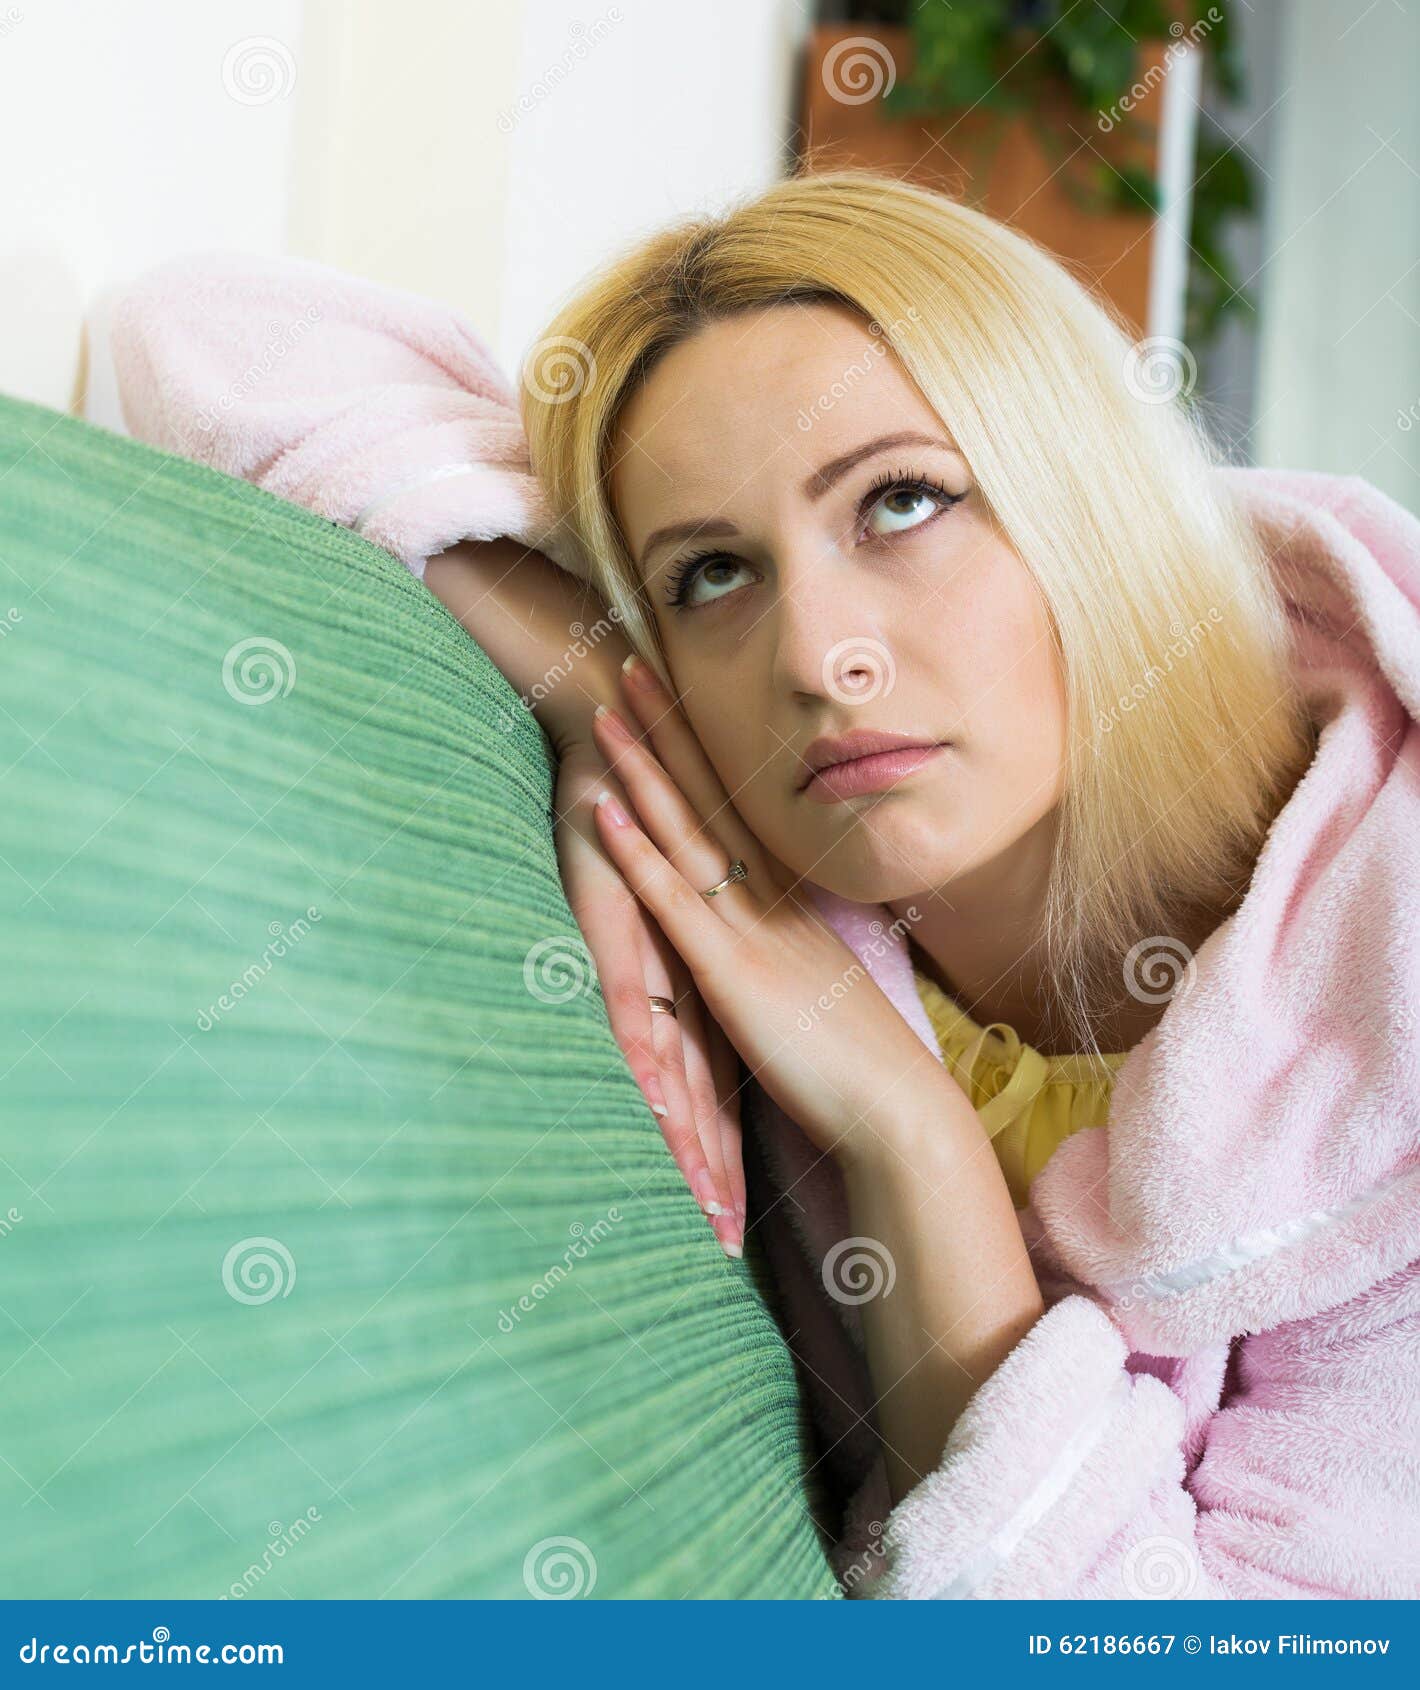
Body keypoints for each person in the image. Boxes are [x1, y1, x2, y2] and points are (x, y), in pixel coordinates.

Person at [111, 169, 1420, 1599]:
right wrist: (612, 705)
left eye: (902, 501)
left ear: (1084, 491)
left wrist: (908, 1134)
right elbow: (202, 334)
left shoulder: (1383, 1006)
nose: (817, 657)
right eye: (715, 575)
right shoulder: (737, 787)